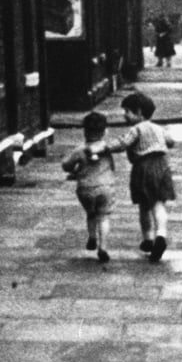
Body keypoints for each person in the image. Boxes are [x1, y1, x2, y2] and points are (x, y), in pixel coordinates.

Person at [104, 92, 176, 262]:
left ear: (139, 112)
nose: (124, 115)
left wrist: (104, 147)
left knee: (144, 206)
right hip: (162, 166)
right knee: (158, 204)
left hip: (143, 168)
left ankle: (148, 239)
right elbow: (171, 141)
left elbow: (123, 144)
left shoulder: (136, 129)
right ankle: (161, 235)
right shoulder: (159, 128)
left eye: (127, 111)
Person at [62, 112, 115, 263]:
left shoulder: (79, 150)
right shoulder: (106, 149)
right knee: (103, 217)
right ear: (105, 131)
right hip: (105, 188)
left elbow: (66, 165)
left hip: (85, 189)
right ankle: (103, 247)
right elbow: (112, 166)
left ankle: (92, 237)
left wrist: (74, 170)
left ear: (84, 131)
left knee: (91, 213)